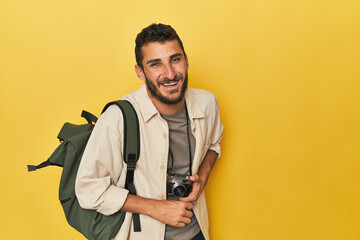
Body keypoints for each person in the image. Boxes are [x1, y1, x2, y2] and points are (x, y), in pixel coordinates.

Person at [75, 23, 223, 240]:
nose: (170, 74)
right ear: (140, 72)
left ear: (186, 60)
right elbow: (88, 189)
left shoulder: (207, 103)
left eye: (175, 59)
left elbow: (214, 144)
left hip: (196, 232)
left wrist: (202, 175)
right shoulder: (118, 118)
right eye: (156, 64)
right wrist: (155, 208)